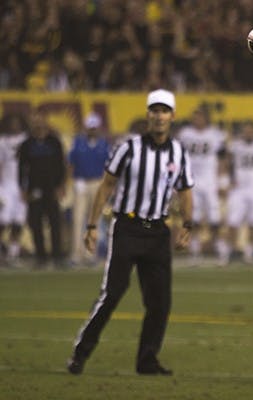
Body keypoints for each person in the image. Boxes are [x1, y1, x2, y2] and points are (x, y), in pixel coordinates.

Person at [67, 89, 194, 376]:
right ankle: (81, 352)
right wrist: (91, 225)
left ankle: (147, 360)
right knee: (112, 293)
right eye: (154, 110)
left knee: (160, 301)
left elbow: (185, 191)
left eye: (164, 111)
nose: (159, 116)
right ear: (147, 115)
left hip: (158, 231)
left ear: (172, 116)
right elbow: (107, 186)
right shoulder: (129, 148)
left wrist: (187, 225)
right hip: (127, 228)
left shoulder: (179, 152)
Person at [176, 105, 228, 260]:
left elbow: (223, 158)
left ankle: (219, 248)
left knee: (214, 218)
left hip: (210, 180)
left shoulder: (215, 134)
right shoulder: (185, 134)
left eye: (199, 116)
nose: (196, 120)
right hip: (192, 180)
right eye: (195, 116)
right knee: (194, 218)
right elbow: (178, 157)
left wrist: (223, 181)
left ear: (206, 118)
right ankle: (195, 249)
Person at [18, 111, 67, 267]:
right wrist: (23, 188)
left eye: (41, 122)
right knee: (35, 223)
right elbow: (21, 168)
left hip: (52, 188)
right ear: (32, 125)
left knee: (55, 222)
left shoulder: (54, 142)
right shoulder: (27, 144)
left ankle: (57, 256)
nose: (38, 125)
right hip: (34, 189)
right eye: (35, 122)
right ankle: (41, 256)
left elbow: (62, 166)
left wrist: (61, 186)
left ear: (45, 123)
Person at [217, 119, 253, 265]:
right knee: (233, 221)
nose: (248, 133)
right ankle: (229, 251)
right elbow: (226, 163)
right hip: (238, 188)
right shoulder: (235, 146)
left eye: (250, 130)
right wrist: (225, 181)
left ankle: (250, 252)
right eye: (246, 130)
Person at [67, 112, 110, 266]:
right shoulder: (78, 142)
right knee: (78, 218)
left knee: (94, 220)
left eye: (94, 128)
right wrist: (71, 181)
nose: (92, 130)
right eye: (90, 128)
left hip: (97, 182)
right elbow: (70, 163)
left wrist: (106, 186)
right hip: (81, 182)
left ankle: (90, 254)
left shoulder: (104, 143)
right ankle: (76, 254)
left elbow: (108, 167)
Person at [0, 113, 28, 265]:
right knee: (3, 221)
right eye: (12, 122)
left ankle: (13, 254)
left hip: (22, 187)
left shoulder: (26, 140)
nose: (14, 126)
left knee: (18, 222)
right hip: (6, 185)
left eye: (17, 122)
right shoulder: (2, 142)